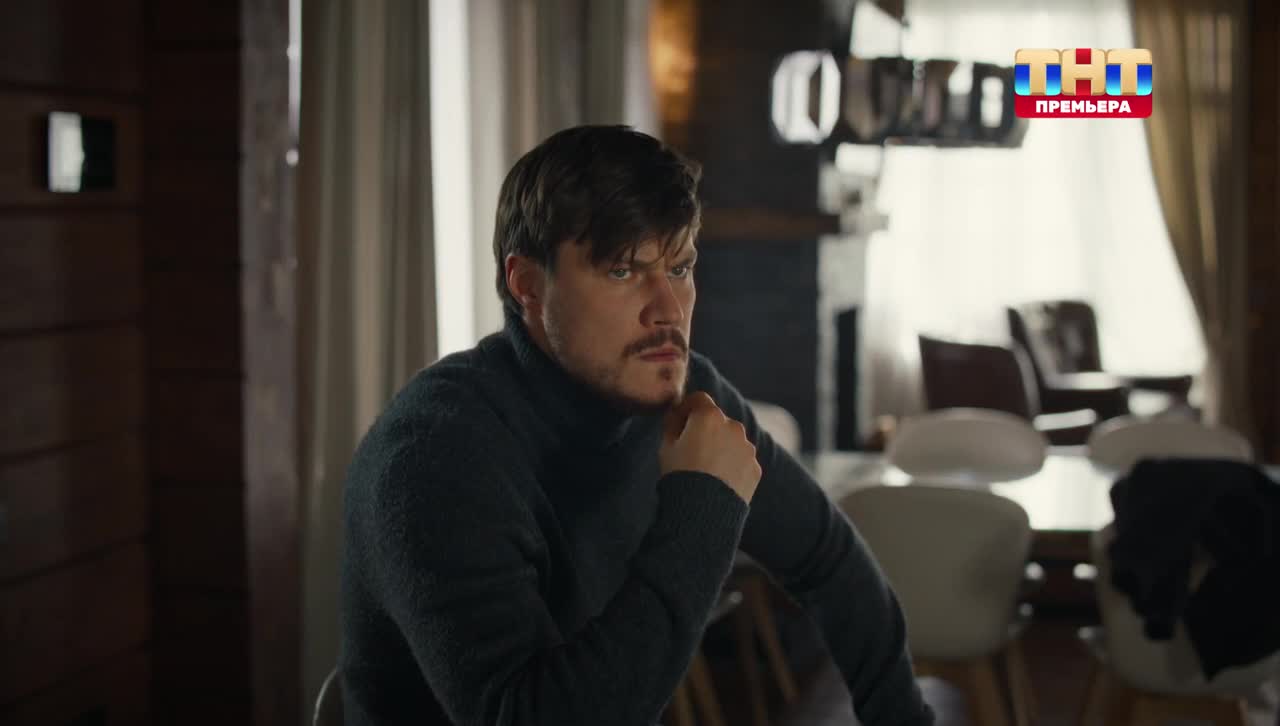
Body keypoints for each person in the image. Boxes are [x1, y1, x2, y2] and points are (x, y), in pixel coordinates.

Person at [339, 125, 934, 725]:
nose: (668, 309)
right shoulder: (435, 455)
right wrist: (702, 507)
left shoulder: (685, 394)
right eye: (623, 271)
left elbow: (828, 560)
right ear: (528, 285)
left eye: (680, 268)